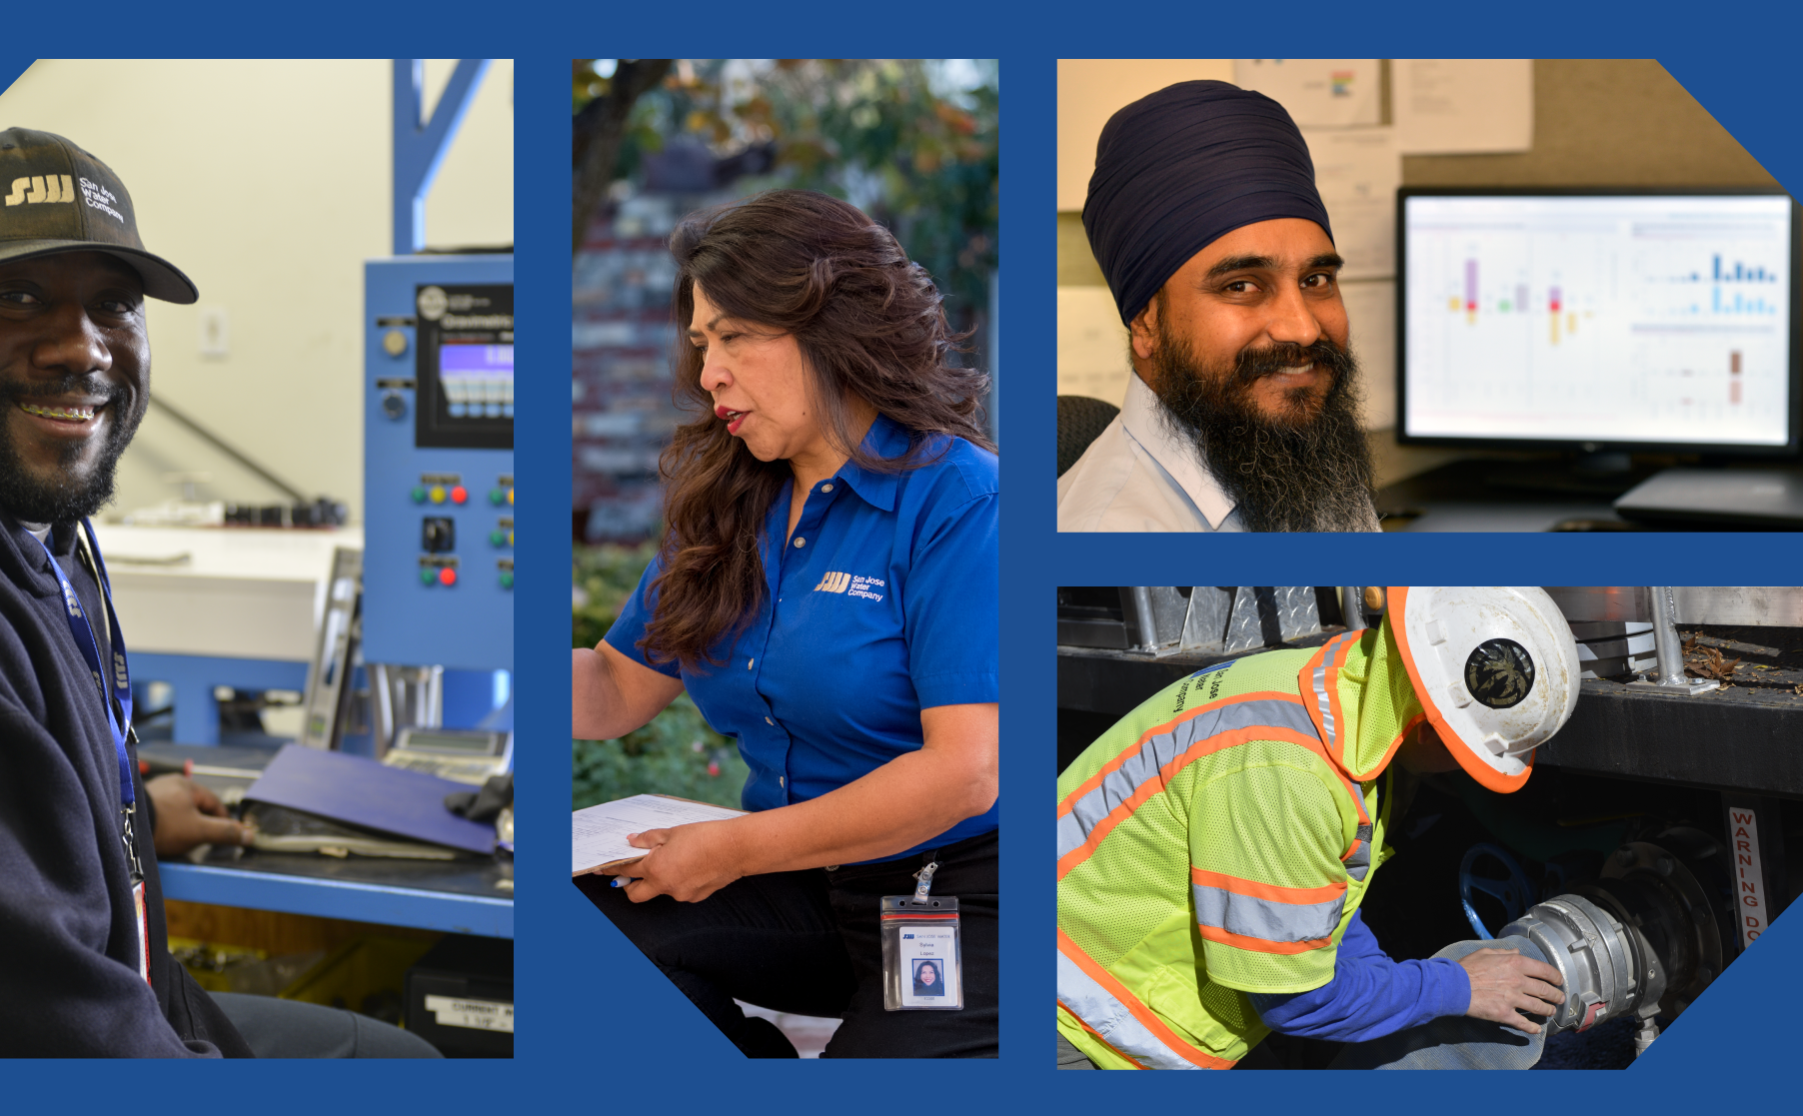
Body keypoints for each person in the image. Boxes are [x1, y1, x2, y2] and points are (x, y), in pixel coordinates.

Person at [0, 128, 435, 1057]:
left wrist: (129, 819)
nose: (83, 348)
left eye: (115, 304)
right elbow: (46, 1039)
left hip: (127, 988)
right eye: (17, 296)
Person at [572, 190, 999, 1058]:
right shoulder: (729, 503)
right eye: (701, 344)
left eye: (735, 338)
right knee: (573, 938)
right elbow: (615, 690)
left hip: (953, 891)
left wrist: (730, 849)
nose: (708, 374)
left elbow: (964, 774)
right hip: (795, 881)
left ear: (832, 330)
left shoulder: (960, 499)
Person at [1056, 588, 1579, 1070]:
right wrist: (1456, 988)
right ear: (1430, 729)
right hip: (1076, 1016)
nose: (1463, 774)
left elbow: (1317, 900)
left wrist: (1390, 978)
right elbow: (1294, 998)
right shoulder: (1289, 773)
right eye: (1468, 759)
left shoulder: (1343, 698)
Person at [1056, 80, 1379, 533]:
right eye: (1242, 285)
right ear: (1146, 322)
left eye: (1316, 280)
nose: (1303, 329)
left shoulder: (1305, 463)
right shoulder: (1107, 542)